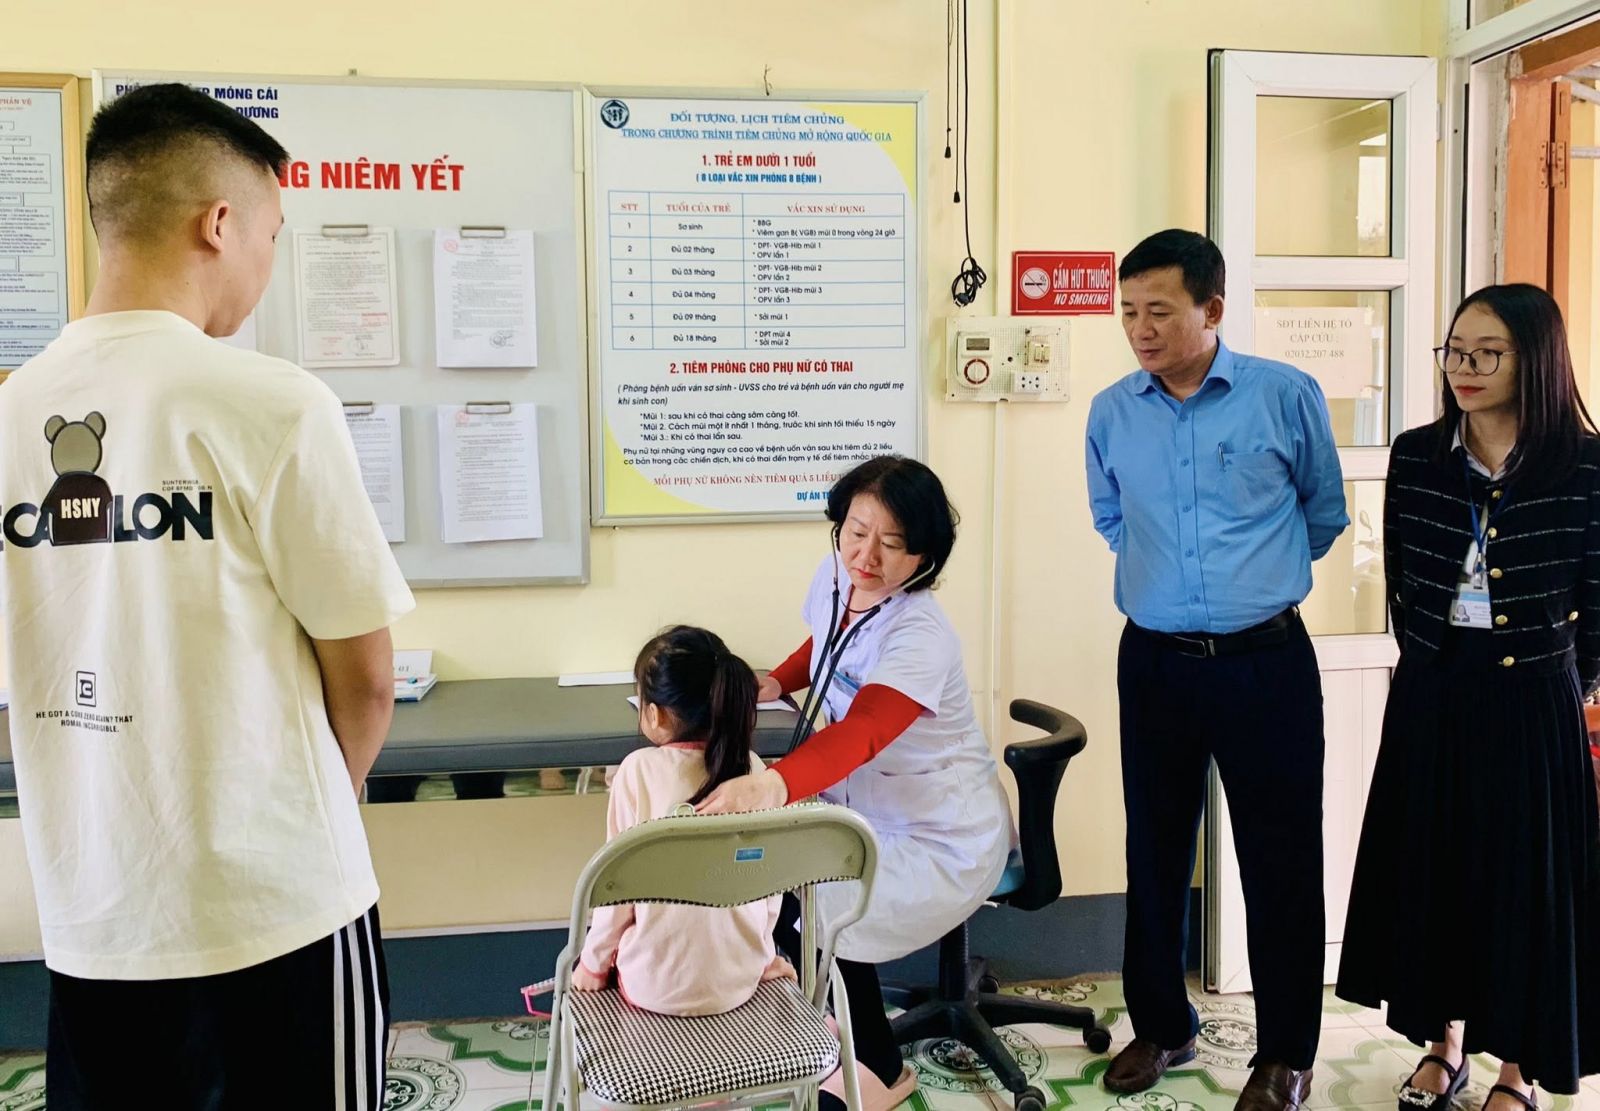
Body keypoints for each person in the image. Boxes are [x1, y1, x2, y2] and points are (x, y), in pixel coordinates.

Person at [0, 83, 414, 1109]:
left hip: (93, 911)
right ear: (218, 224)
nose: (266, 266)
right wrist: (312, 813)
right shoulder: (271, 402)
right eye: (271, 235)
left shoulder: (11, 414)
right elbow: (367, 679)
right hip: (279, 908)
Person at [1084, 229, 1347, 1111]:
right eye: (1129, 311)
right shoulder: (1112, 411)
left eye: (1159, 311)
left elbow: (1322, 513)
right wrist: (1172, 592)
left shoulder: (1284, 395)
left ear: (1213, 309)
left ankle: (1285, 1053)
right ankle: (1163, 1023)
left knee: (1281, 858)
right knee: (1154, 849)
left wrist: (1250, 584)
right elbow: (1113, 518)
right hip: (1155, 661)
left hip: (1265, 661)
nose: (1140, 329)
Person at [1337, 283, 1600, 1110]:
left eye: (1488, 352)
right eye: (1455, 350)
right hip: (1433, 690)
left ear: (1536, 359)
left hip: (1533, 700)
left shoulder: (1584, 465)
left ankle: (1518, 1069)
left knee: (1524, 889)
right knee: (1434, 873)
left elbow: (1598, 604)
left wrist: (1565, 681)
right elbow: (1402, 575)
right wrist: (1428, 660)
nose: (1465, 367)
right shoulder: (1419, 454)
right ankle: (1440, 1044)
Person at [696, 455, 1012, 1111]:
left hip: (940, 832)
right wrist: (778, 679)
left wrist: (774, 785)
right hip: (865, 807)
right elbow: (826, 640)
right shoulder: (839, 575)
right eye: (856, 532)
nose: (866, 556)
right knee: (777, 881)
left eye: (891, 543)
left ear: (923, 556)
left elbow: (865, 728)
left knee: (820, 901)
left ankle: (879, 1066)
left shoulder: (921, 633)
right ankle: (826, 1034)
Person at [571, 626, 794, 1015]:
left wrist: (593, 964)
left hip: (653, 986)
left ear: (653, 713)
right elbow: (768, 885)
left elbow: (616, 891)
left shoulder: (636, 772)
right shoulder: (755, 772)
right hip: (738, 980)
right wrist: (762, 955)